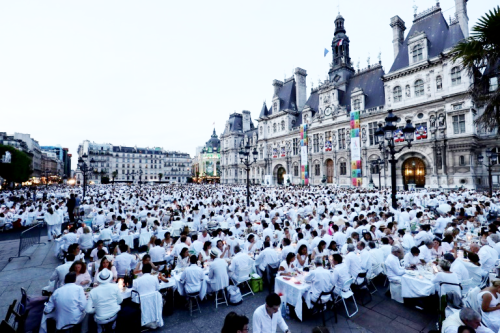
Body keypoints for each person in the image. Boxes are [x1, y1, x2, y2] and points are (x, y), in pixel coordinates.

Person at [85, 268, 123, 333]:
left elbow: (88, 310)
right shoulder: (115, 287)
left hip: (100, 318)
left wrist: (97, 308)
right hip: (113, 315)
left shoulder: (93, 291)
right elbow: (120, 301)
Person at [132, 263, 164, 328]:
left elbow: (133, 294)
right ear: (150, 271)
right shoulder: (154, 279)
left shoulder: (136, 281)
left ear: (142, 271)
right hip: (153, 301)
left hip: (142, 303)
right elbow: (158, 289)